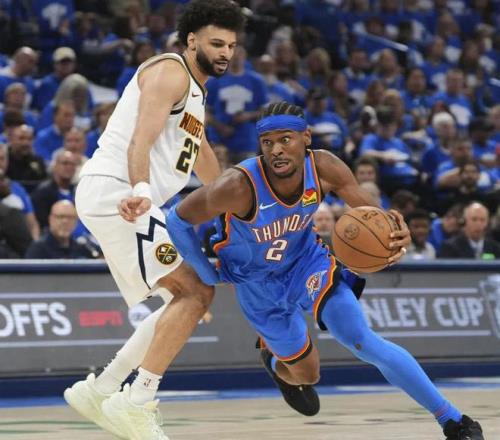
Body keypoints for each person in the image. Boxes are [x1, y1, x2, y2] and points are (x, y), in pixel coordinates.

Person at [166, 101, 485, 440]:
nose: (276, 150)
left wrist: (395, 227)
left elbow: (372, 212)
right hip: (256, 284)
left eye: (285, 139)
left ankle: (454, 421)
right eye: (267, 142)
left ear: (306, 137)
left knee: (360, 339)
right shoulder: (237, 185)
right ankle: (273, 361)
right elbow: (177, 219)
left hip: (306, 263)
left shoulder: (324, 167)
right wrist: (206, 273)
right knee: (308, 375)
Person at [63, 1, 246, 439]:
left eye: (231, 45)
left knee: (186, 300)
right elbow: (141, 139)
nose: (225, 52)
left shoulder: (196, 94)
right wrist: (142, 191)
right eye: (216, 43)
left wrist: (240, 212)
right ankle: (136, 401)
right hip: (120, 192)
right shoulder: (170, 71)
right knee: (194, 293)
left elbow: (202, 156)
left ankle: (101, 390)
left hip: (127, 196)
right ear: (191, 41)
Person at [25, 200, 95, 259]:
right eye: (60, 217)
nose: (65, 221)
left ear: (76, 222)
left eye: (70, 217)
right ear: (50, 219)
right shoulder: (38, 250)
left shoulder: (82, 249)